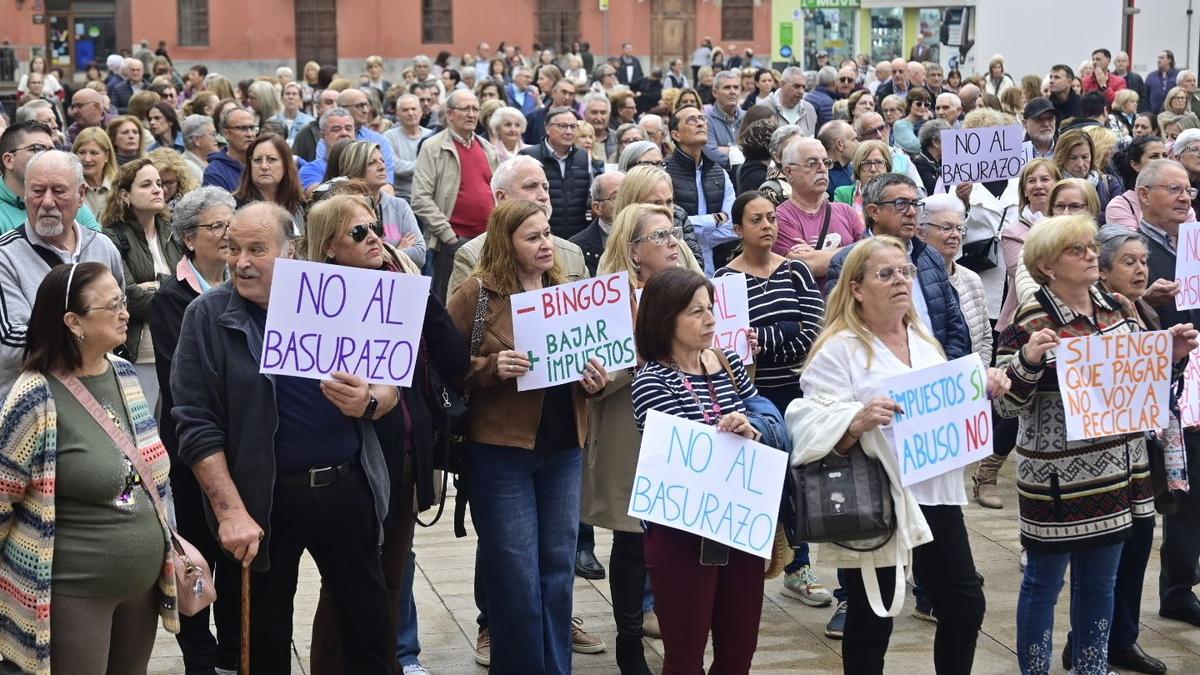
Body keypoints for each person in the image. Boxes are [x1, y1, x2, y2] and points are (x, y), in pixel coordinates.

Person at [171, 201, 397, 672]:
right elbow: (195, 424)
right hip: (264, 501)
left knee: (370, 631)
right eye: (233, 248)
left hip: (347, 487)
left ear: (290, 251)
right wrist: (230, 512)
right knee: (264, 641)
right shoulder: (207, 316)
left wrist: (369, 401)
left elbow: (389, 383)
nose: (241, 262)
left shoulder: (335, 296)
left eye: (257, 249)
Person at [791, 235, 1005, 675]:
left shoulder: (924, 341)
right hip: (877, 498)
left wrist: (982, 388)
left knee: (964, 605)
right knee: (873, 616)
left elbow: (947, 407)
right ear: (856, 288)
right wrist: (856, 420)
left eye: (905, 271)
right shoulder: (839, 348)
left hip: (936, 492)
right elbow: (811, 424)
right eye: (885, 274)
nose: (900, 281)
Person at [995, 213, 1196, 675]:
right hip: (1058, 481)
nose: (1090, 255)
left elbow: (1142, 382)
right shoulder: (1030, 319)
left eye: (1091, 247)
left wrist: (1170, 355)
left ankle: (1091, 667)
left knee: (1101, 584)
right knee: (1044, 584)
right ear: (1047, 265)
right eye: (1077, 250)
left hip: (1119, 474)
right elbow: (1006, 405)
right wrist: (1028, 359)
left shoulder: (1118, 306)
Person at [301, 193, 467, 675]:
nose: (374, 238)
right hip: (350, 463)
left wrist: (416, 295)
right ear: (329, 246)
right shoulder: (314, 303)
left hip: (406, 454)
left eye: (376, 228)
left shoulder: (401, 288)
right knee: (344, 585)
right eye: (359, 232)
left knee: (392, 579)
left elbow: (455, 360)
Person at [446, 199, 610, 674]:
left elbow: (589, 361)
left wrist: (594, 382)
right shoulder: (478, 294)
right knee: (515, 574)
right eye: (532, 237)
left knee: (557, 570)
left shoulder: (565, 291)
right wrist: (490, 367)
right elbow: (442, 364)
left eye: (547, 233)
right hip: (502, 452)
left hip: (563, 448)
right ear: (506, 242)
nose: (545, 244)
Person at [0, 261, 179, 674]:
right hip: (75, 592)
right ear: (73, 322)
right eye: (112, 306)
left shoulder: (125, 374)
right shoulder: (35, 395)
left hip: (141, 588)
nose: (125, 313)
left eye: (123, 301)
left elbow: (145, 475)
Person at [630, 266, 776, 675]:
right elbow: (686, 453)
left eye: (710, 308)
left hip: (740, 523)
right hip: (682, 534)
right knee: (685, 657)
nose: (710, 319)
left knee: (738, 653)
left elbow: (766, 417)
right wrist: (730, 431)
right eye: (696, 312)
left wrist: (752, 426)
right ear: (666, 319)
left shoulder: (727, 362)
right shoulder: (651, 381)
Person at [582, 202, 698, 673]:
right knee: (632, 542)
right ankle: (629, 641)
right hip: (629, 432)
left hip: (685, 430)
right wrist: (636, 358)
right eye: (659, 236)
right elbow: (595, 380)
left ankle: (682, 633)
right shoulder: (608, 301)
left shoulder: (691, 291)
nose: (672, 243)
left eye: (674, 234)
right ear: (633, 251)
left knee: (680, 542)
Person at [714, 192, 828, 607]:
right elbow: (727, 345)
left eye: (772, 218)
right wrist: (781, 335)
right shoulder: (724, 281)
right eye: (757, 220)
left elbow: (813, 329)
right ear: (738, 229)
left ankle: (800, 566)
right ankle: (754, 569)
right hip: (753, 397)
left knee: (800, 478)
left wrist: (768, 339)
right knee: (762, 481)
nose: (767, 226)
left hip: (797, 392)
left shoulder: (795, 271)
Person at [148, 187, 235, 674]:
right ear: (187, 238)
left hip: (242, 448)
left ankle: (234, 654)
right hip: (190, 450)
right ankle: (200, 658)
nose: (226, 234)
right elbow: (180, 380)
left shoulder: (249, 284)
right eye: (215, 226)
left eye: (231, 224)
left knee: (239, 557)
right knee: (196, 558)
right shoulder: (171, 298)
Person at [1087, 225, 1171, 675]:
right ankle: (1091, 641)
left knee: (1138, 548)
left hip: (1139, 450)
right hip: (1105, 455)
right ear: (1102, 271)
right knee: (1107, 561)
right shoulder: (1102, 314)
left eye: (1144, 261)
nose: (1141, 270)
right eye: (1129, 262)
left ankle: (1123, 639)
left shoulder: (1142, 307)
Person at [0, 149, 125, 394]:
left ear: (81, 195)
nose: (47, 202)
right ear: (25, 194)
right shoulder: (6, 256)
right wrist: (91, 328)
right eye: (37, 191)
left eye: (58, 191)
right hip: (35, 401)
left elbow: (119, 317)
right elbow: (11, 344)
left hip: (98, 395)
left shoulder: (103, 247)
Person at [827, 173, 971, 360]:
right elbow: (842, 331)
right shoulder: (847, 262)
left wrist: (945, 368)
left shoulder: (931, 256)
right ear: (874, 211)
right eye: (901, 204)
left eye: (915, 204)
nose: (912, 212)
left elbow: (955, 326)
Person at [99, 157, 181, 400]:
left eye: (158, 183)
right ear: (125, 195)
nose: (157, 189)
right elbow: (130, 298)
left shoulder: (174, 232)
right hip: (140, 355)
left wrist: (155, 286)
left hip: (179, 348)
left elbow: (191, 287)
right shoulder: (112, 238)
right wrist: (172, 289)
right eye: (146, 185)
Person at [412, 90, 500, 301]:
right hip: (453, 244)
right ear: (450, 114)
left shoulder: (487, 148)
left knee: (486, 301)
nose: (472, 114)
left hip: (488, 240)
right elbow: (420, 198)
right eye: (465, 109)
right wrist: (449, 236)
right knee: (452, 302)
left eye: (475, 109)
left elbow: (499, 192)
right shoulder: (433, 147)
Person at [774, 137, 863, 288]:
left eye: (826, 162)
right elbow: (806, 265)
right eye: (812, 163)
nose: (822, 169)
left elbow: (870, 253)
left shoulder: (846, 211)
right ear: (789, 172)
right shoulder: (780, 218)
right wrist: (857, 250)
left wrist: (817, 254)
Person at [917, 194, 990, 364]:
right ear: (920, 232)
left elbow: (986, 337)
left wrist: (980, 373)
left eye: (959, 228)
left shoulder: (972, 280)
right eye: (946, 228)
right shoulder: (914, 283)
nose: (955, 235)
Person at [665, 106, 736, 274]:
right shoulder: (664, 173)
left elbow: (734, 225)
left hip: (718, 266)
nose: (700, 123)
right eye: (691, 120)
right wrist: (713, 220)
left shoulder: (719, 173)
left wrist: (697, 237)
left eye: (702, 118)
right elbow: (668, 227)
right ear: (676, 135)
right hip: (678, 268)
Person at [335, 140, 425, 266]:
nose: (382, 167)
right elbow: (347, 257)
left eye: (382, 161)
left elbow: (420, 254)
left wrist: (379, 256)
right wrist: (397, 252)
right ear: (355, 169)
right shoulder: (340, 209)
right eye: (371, 163)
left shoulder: (399, 206)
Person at [520, 106, 595, 240]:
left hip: (577, 235)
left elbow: (589, 196)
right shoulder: (529, 156)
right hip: (541, 234)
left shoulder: (583, 157)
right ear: (547, 128)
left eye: (573, 126)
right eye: (563, 126)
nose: (569, 131)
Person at [232, 133, 307, 236]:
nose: (264, 166)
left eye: (271, 159)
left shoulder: (300, 207)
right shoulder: (234, 207)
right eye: (257, 160)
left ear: (286, 164)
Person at [1106, 135, 1176, 227]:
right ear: (1135, 164)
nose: (1162, 161)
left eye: (1165, 155)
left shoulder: (1179, 199)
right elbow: (1130, 237)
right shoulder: (1120, 206)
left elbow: (1190, 235)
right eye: (1154, 156)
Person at [1054, 128, 1123, 222]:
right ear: (1061, 158)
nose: (1080, 164)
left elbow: (1119, 221)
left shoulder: (1109, 184)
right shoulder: (1052, 185)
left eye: (1085, 157)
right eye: (1073, 158)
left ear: (1092, 155)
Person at [568, 170, 624, 275]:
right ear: (597, 208)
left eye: (629, 194)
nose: (626, 201)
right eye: (616, 197)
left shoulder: (646, 235)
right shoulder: (575, 249)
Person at [383, 93, 433, 200]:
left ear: (420, 111)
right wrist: (425, 164)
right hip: (401, 196)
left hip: (429, 195)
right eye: (405, 110)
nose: (410, 113)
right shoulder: (389, 136)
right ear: (397, 114)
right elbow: (395, 167)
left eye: (414, 109)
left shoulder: (431, 135)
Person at [299, 107, 357, 190]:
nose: (344, 133)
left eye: (348, 129)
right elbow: (317, 194)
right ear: (323, 135)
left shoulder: (368, 163)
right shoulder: (311, 169)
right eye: (336, 129)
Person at [832, 140, 890, 220]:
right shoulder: (843, 194)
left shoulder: (898, 194)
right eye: (866, 163)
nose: (873, 169)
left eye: (879, 162)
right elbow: (839, 225)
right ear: (857, 169)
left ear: (887, 167)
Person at [202, 106, 257, 191]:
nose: (250, 134)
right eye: (242, 128)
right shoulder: (215, 172)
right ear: (226, 133)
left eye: (252, 128)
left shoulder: (262, 164)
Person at [73, 126, 118, 217]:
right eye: (82, 152)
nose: (87, 159)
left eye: (94, 153)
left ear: (107, 156)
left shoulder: (118, 186)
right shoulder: (70, 187)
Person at [704, 70, 745, 169]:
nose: (732, 91)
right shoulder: (706, 120)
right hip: (718, 175)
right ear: (715, 92)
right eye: (727, 87)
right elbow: (712, 154)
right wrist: (742, 153)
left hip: (746, 176)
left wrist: (728, 150)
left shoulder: (748, 117)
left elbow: (756, 152)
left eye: (736, 87)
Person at [148, 146, 198, 212]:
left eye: (170, 183)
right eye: (159, 183)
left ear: (180, 182)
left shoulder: (191, 207)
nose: (164, 189)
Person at [891, 87, 931, 156]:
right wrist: (923, 123)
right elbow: (917, 146)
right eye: (919, 104)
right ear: (910, 104)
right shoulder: (900, 125)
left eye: (926, 104)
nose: (922, 107)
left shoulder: (931, 123)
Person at [180, 114, 218, 184]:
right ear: (197, 140)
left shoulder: (210, 161)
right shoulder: (188, 167)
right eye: (212, 134)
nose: (216, 139)